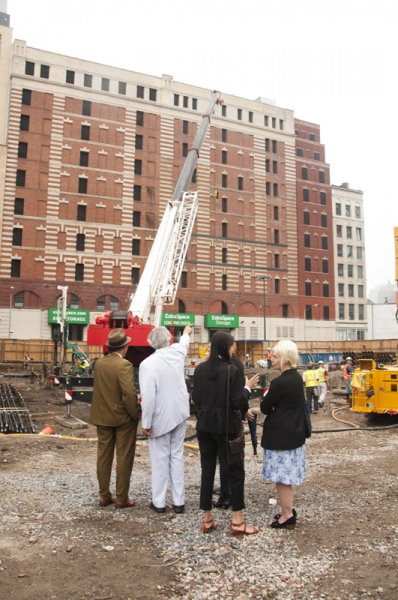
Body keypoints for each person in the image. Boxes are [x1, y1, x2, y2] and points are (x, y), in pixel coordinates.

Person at [193, 331, 259, 535]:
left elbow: (196, 398)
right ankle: (238, 521)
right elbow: (238, 403)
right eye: (232, 348)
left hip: (204, 426)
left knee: (207, 470)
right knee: (236, 470)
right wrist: (247, 388)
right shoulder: (232, 371)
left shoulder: (200, 369)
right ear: (225, 348)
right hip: (226, 428)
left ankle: (207, 519)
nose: (233, 351)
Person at [139, 325, 192, 514]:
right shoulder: (177, 352)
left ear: (151, 343)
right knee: (176, 457)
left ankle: (159, 502)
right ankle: (179, 502)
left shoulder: (148, 364)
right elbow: (184, 343)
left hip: (160, 417)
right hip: (179, 413)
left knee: (160, 459)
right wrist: (186, 333)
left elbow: (148, 398)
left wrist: (146, 423)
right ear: (169, 340)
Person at [90, 328, 140, 508]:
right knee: (124, 457)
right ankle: (122, 497)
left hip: (102, 416)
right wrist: (135, 414)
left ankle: (104, 495)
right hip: (122, 419)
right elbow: (128, 393)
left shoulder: (99, 364)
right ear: (124, 347)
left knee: (103, 457)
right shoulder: (124, 365)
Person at [260, 340, 306, 529]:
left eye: (276, 356)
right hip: (294, 433)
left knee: (282, 478)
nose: (272, 359)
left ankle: (287, 514)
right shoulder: (296, 378)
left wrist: (271, 404)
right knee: (289, 476)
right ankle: (289, 508)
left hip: (280, 437)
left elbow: (264, 407)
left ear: (285, 359)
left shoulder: (279, 383)